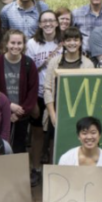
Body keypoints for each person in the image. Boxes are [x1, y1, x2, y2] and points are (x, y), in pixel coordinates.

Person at [0, 29, 39, 154]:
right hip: (0, 112)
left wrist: (20, 112)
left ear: (23, 45)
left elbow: (33, 91)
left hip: (21, 115)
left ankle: (18, 172)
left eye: (19, 43)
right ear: (6, 43)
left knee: (19, 146)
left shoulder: (29, 64)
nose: (15, 46)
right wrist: (8, 106)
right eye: (12, 43)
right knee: (0, 146)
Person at [27, 10, 63, 184]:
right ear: (40, 25)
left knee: (55, 134)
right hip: (39, 94)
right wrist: (31, 98)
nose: (48, 24)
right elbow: (28, 71)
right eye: (44, 21)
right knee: (38, 133)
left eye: (51, 21)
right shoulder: (32, 44)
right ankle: (36, 168)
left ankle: (52, 170)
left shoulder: (64, 43)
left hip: (60, 95)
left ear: (57, 23)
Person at [44, 27, 95, 129]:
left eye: (76, 40)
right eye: (68, 40)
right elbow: (47, 89)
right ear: (63, 43)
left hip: (80, 113)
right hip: (57, 111)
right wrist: (53, 115)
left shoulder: (88, 64)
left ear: (80, 42)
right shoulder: (54, 62)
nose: (72, 43)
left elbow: (90, 93)